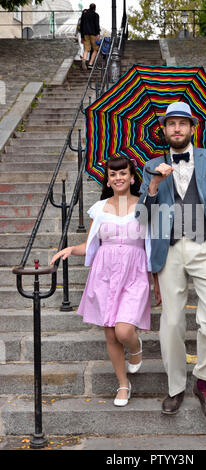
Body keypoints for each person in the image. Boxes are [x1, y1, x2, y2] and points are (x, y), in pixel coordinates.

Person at [137, 102, 206, 424]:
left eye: (182, 124)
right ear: (165, 129)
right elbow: (140, 217)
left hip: (205, 245)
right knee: (171, 322)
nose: (176, 129)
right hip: (168, 250)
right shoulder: (151, 165)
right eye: (171, 124)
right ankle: (174, 387)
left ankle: (203, 382)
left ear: (192, 127)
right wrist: (155, 185)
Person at [50, 157, 153, 407]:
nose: (118, 178)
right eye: (113, 174)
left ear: (132, 177)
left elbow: (153, 245)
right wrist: (69, 249)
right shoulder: (98, 208)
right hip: (105, 273)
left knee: (124, 330)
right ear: (108, 179)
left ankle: (136, 347)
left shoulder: (145, 206)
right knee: (110, 334)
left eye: (123, 173)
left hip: (135, 272)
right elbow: (89, 245)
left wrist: (156, 280)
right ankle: (122, 385)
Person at [80, 3, 100, 71]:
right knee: (95, 49)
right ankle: (90, 64)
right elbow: (97, 25)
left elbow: (81, 25)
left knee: (86, 49)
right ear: (95, 8)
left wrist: (82, 36)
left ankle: (84, 60)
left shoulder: (84, 14)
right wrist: (98, 33)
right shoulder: (96, 15)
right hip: (93, 34)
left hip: (85, 34)